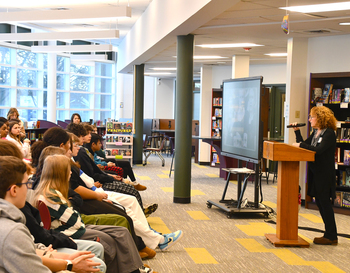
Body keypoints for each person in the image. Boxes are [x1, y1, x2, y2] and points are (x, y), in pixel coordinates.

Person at [34, 154, 156, 273]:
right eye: (68, 171)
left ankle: (135, 267)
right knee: (110, 241)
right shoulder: (50, 196)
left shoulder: (55, 191)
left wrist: (73, 210)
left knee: (122, 231)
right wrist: (73, 209)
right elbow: (75, 220)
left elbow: (74, 213)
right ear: (60, 173)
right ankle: (133, 269)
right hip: (73, 231)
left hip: (76, 228)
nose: (71, 173)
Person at [0, 156, 100, 273]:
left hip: (47, 249)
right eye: (26, 184)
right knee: (97, 264)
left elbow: (30, 249)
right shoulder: (12, 231)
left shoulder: (12, 223)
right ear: (14, 190)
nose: (28, 189)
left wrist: (55, 257)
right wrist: (68, 264)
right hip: (58, 241)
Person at [291, 105, 338, 245]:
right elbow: (304, 145)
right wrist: (297, 132)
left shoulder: (329, 133)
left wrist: (300, 146)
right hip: (315, 173)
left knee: (324, 203)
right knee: (320, 202)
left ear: (321, 118)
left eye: (312, 117)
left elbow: (318, 150)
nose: (309, 119)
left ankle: (331, 235)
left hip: (324, 174)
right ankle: (329, 234)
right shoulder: (316, 132)